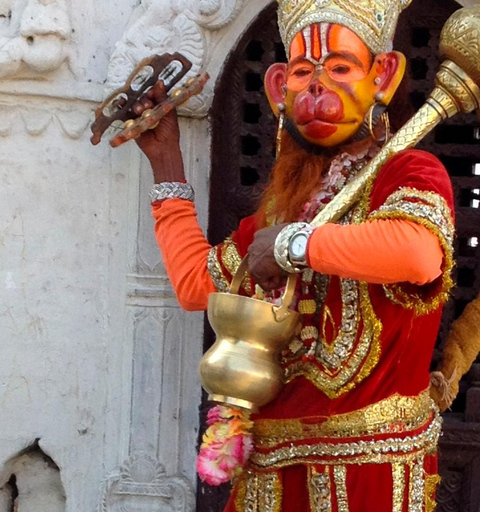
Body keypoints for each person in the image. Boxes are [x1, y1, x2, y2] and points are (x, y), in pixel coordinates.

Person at [132, 1, 455, 510]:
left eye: (341, 68)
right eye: (303, 72)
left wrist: (293, 245)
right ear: (280, 88)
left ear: (384, 77)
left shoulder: (408, 172)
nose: (317, 86)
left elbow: (416, 255)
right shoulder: (286, 203)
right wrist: (166, 160)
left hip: (368, 476)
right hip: (270, 477)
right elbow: (197, 286)